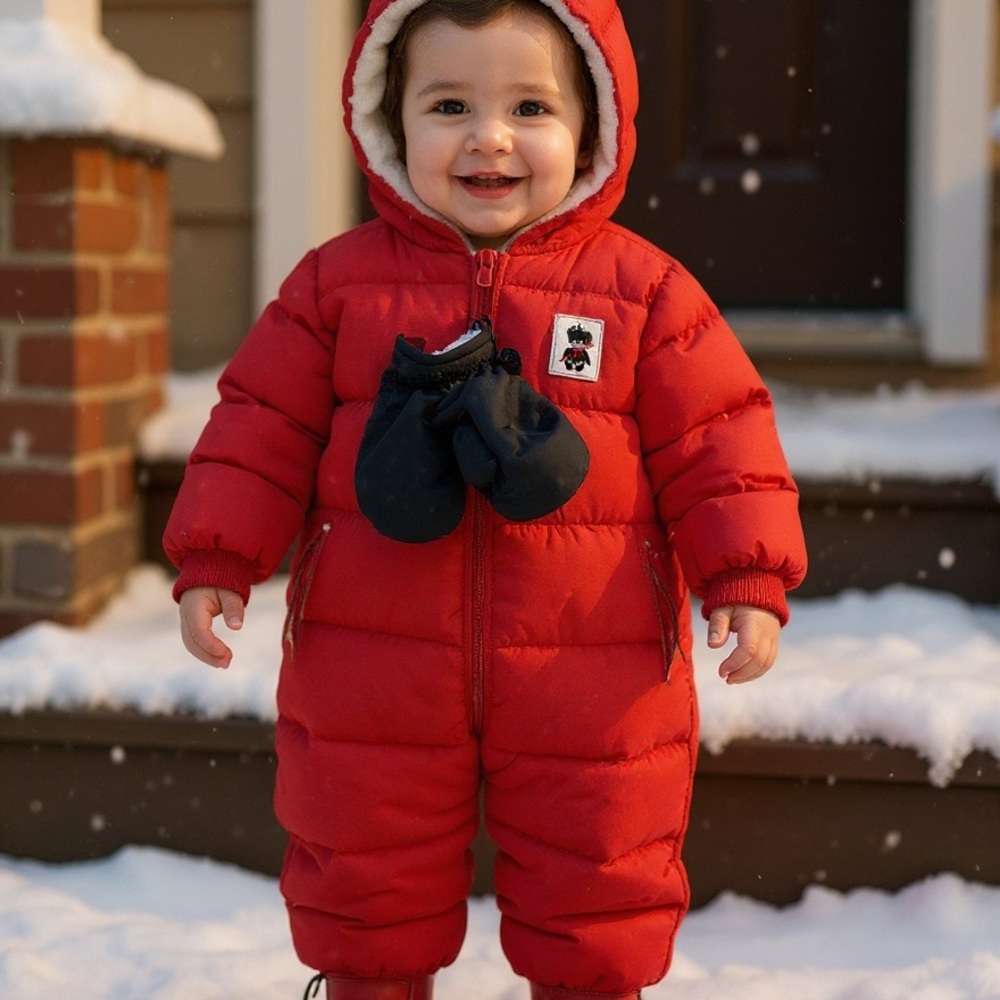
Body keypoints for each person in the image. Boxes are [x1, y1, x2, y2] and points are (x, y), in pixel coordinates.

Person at [164, 1, 808, 998]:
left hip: (591, 666)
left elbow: (721, 439)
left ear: (591, 127)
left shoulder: (643, 294)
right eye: (449, 103)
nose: (488, 137)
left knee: (595, 873)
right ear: (389, 122)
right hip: (369, 663)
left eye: (530, 106)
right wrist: (216, 556)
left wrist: (745, 572)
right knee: (365, 875)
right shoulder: (336, 290)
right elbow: (258, 429)